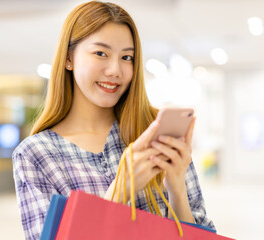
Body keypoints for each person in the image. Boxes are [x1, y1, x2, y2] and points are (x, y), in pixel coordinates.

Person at [12, 1, 215, 239]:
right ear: (68, 58)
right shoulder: (36, 155)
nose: (115, 70)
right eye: (101, 53)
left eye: (127, 57)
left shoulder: (154, 131)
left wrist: (177, 187)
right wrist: (120, 190)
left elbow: (204, 233)